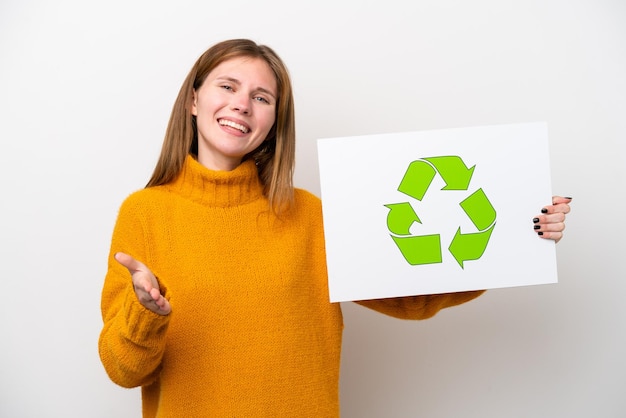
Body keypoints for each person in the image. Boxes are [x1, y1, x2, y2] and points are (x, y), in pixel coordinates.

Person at [98, 39, 572, 417]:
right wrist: (147, 314)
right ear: (194, 100)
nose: (242, 104)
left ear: (273, 121)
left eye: (261, 97)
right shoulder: (145, 213)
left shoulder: (311, 217)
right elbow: (124, 371)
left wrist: (518, 233)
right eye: (227, 86)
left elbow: (411, 296)